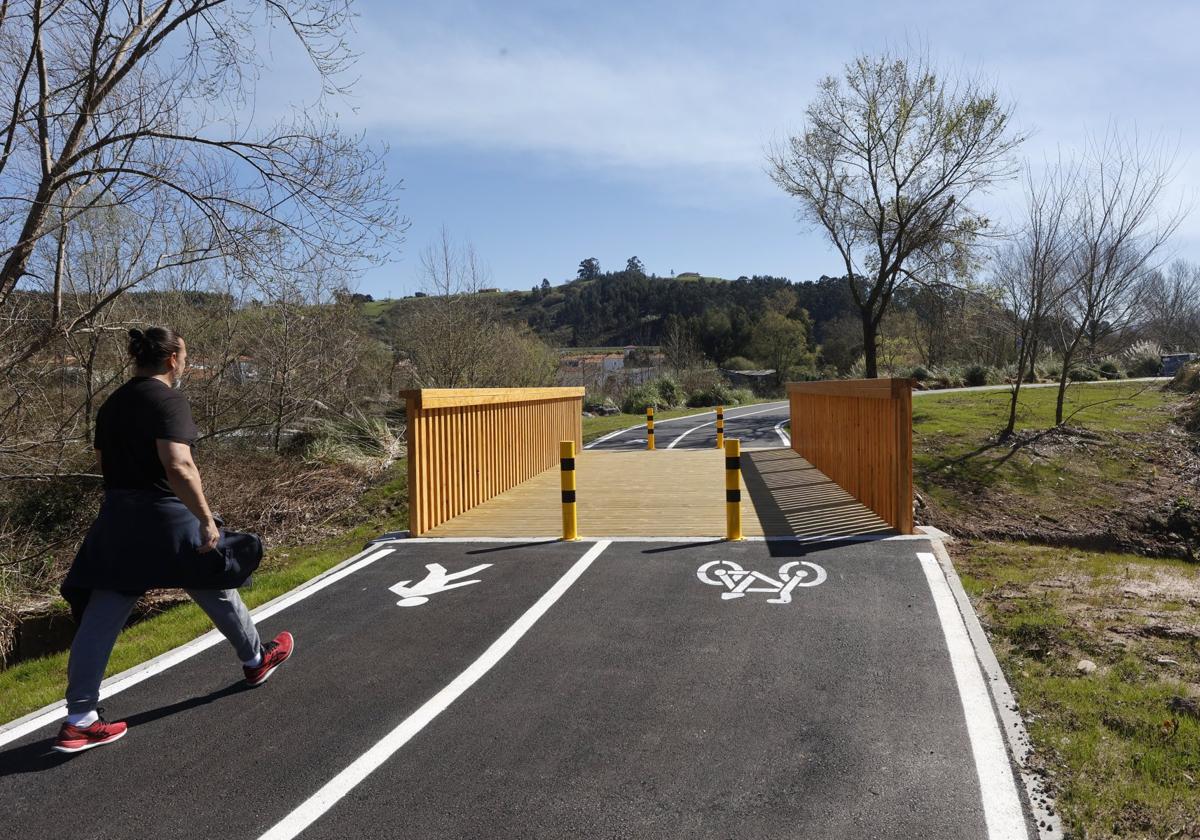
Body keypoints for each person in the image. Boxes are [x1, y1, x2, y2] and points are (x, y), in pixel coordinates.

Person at [52, 327, 293, 754]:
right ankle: (255, 661)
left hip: (118, 517)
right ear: (171, 360)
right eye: (184, 356)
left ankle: (80, 718)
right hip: (164, 515)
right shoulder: (168, 400)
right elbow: (179, 464)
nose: (183, 362)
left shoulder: (113, 403)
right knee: (215, 575)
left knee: (104, 611)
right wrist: (204, 517)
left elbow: (104, 462)